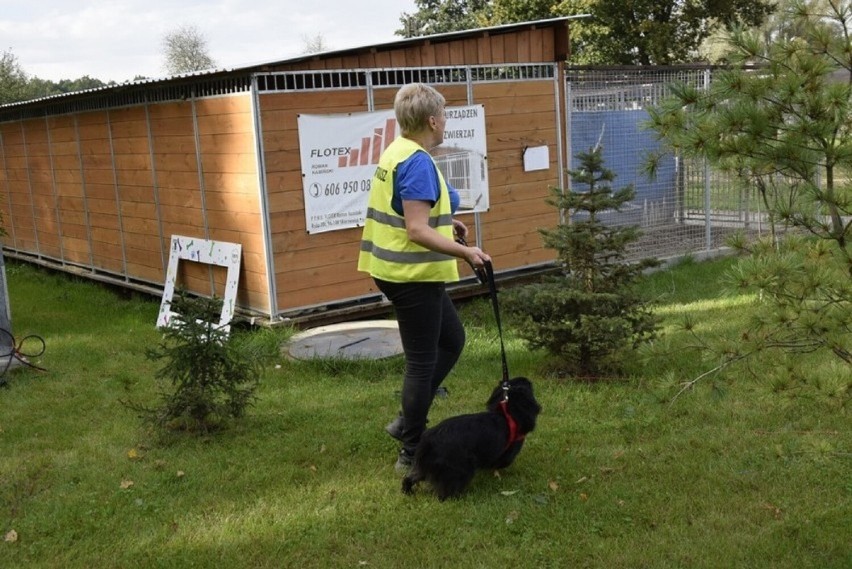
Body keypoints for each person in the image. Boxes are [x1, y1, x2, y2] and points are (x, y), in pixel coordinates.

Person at [357, 83, 491, 471]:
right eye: (444, 115)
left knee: (452, 340)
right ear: (432, 120)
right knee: (422, 360)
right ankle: (411, 448)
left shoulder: (400, 151)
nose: (446, 121)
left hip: (399, 270)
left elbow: (413, 214)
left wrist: (448, 223)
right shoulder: (415, 161)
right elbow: (416, 229)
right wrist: (467, 251)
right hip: (410, 274)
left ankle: (406, 421)